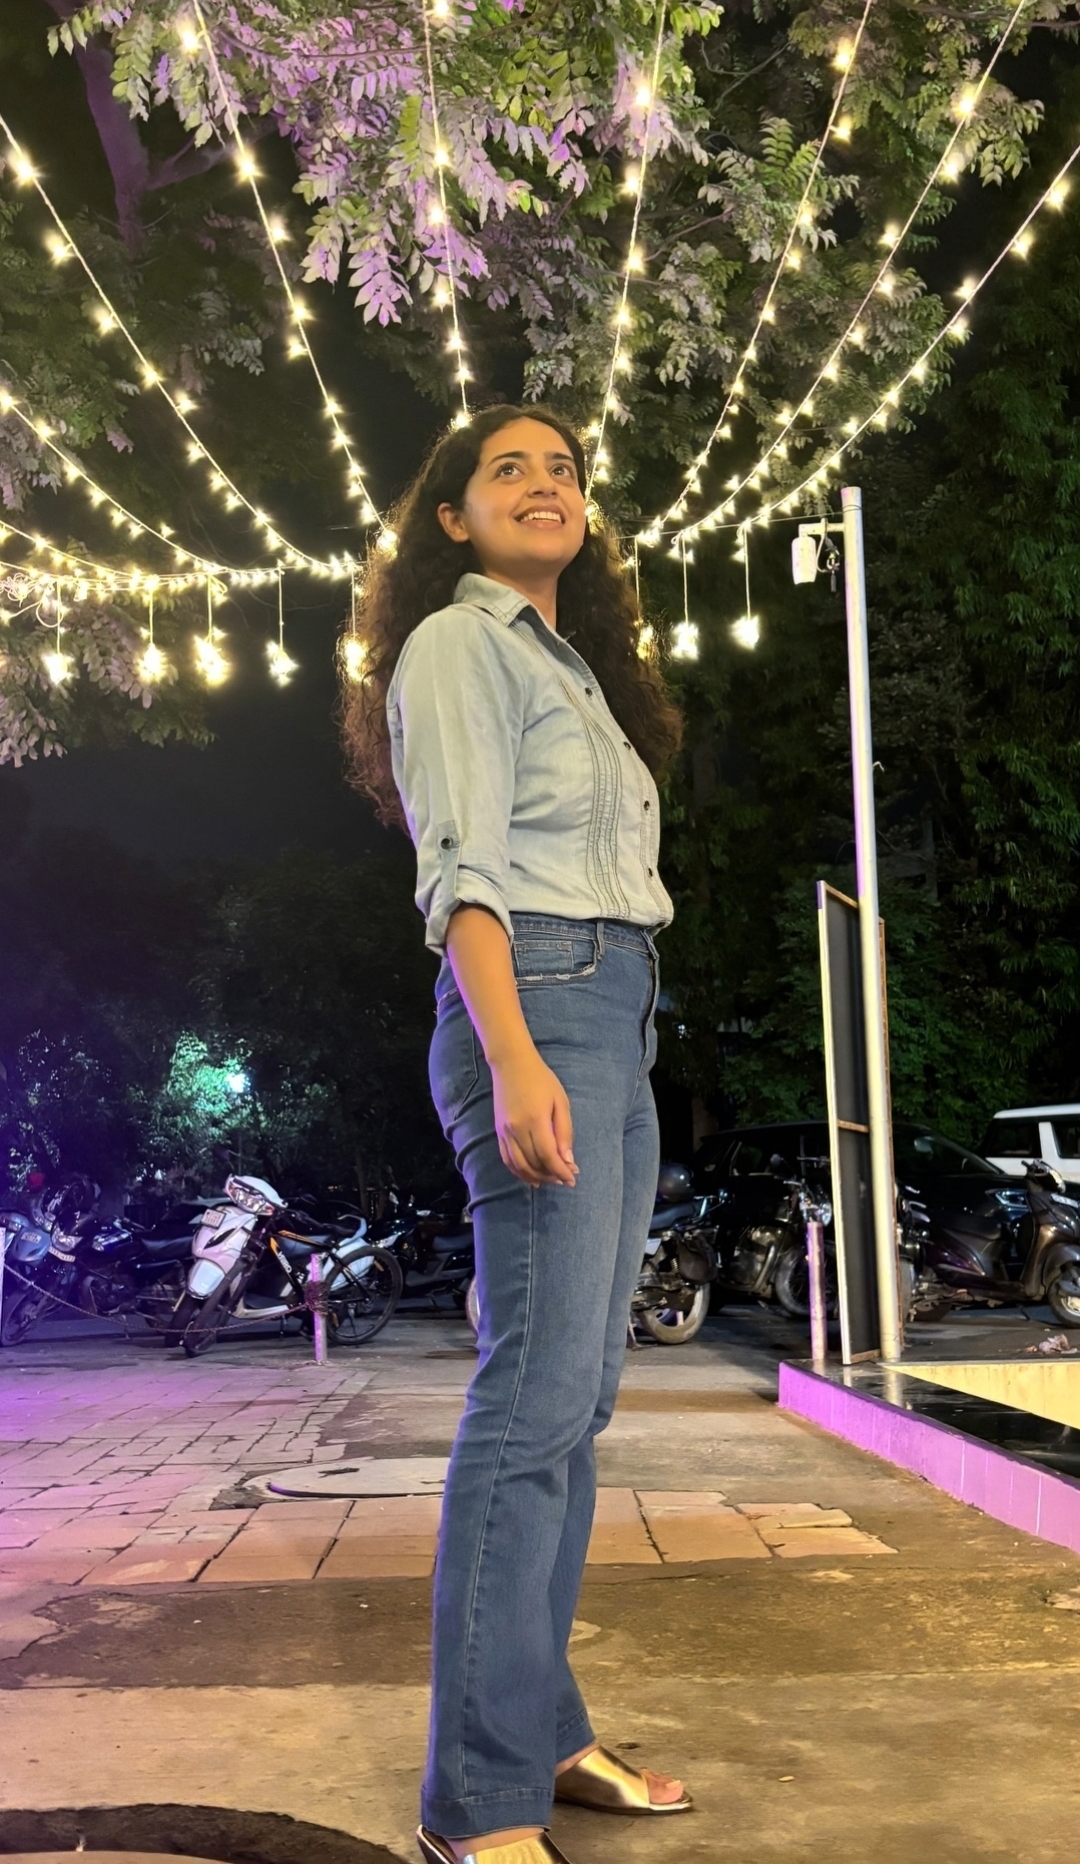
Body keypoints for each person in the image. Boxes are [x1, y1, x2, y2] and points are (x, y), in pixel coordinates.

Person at [342, 405, 688, 1864]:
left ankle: (541, 1729)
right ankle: (477, 1801)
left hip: (614, 1005)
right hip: (535, 1000)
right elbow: (464, 874)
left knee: (576, 1399)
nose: (547, 484)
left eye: (564, 469)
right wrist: (515, 1055)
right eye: (510, 470)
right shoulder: (455, 646)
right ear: (453, 517)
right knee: (531, 1404)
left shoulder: (575, 671)